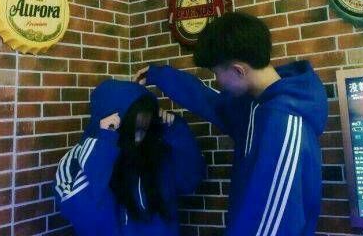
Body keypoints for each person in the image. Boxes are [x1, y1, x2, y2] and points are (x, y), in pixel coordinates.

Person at [135, 12, 328, 236]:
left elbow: (270, 224)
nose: (218, 80)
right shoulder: (256, 104)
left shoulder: (284, 124)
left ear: (238, 70)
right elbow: (211, 101)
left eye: (216, 72)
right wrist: (159, 75)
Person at [54, 79, 205, 236]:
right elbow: (85, 217)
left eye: (147, 121)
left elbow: (190, 181)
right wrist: (104, 144)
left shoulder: (156, 153)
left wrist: (177, 133)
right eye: (136, 122)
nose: (142, 130)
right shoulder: (75, 160)